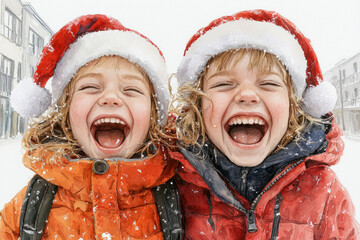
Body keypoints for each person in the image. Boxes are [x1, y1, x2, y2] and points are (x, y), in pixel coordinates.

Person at [170, 9, 360, 239]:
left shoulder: (325, 193)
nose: (247, 95)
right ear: (198, 105)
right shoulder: (174, 184)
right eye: (224, 84)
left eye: (269, 83)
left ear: (294, 108)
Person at [0, 14, 178, 239]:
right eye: (91, 87)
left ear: (154, 116)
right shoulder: (29, 208)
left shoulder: (181, 200)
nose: (111, 98)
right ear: (66, 112)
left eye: (131, 90)